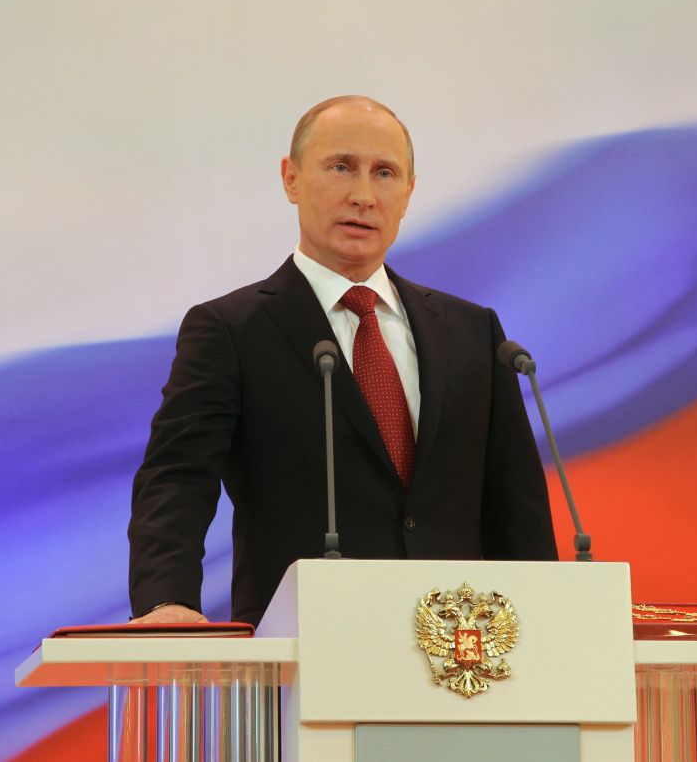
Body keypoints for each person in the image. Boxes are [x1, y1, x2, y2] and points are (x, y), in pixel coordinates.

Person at [128, 95, 557, 627]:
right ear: (290, 179)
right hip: (305, 648)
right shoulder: (231, 330)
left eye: (384, 173)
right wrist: (166, 599)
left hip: (460, 655)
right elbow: (177, 476)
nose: (363, 195)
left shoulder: (473, 332)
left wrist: (546, 624)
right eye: (340, 167)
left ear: (408, 192)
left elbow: (517, 506)